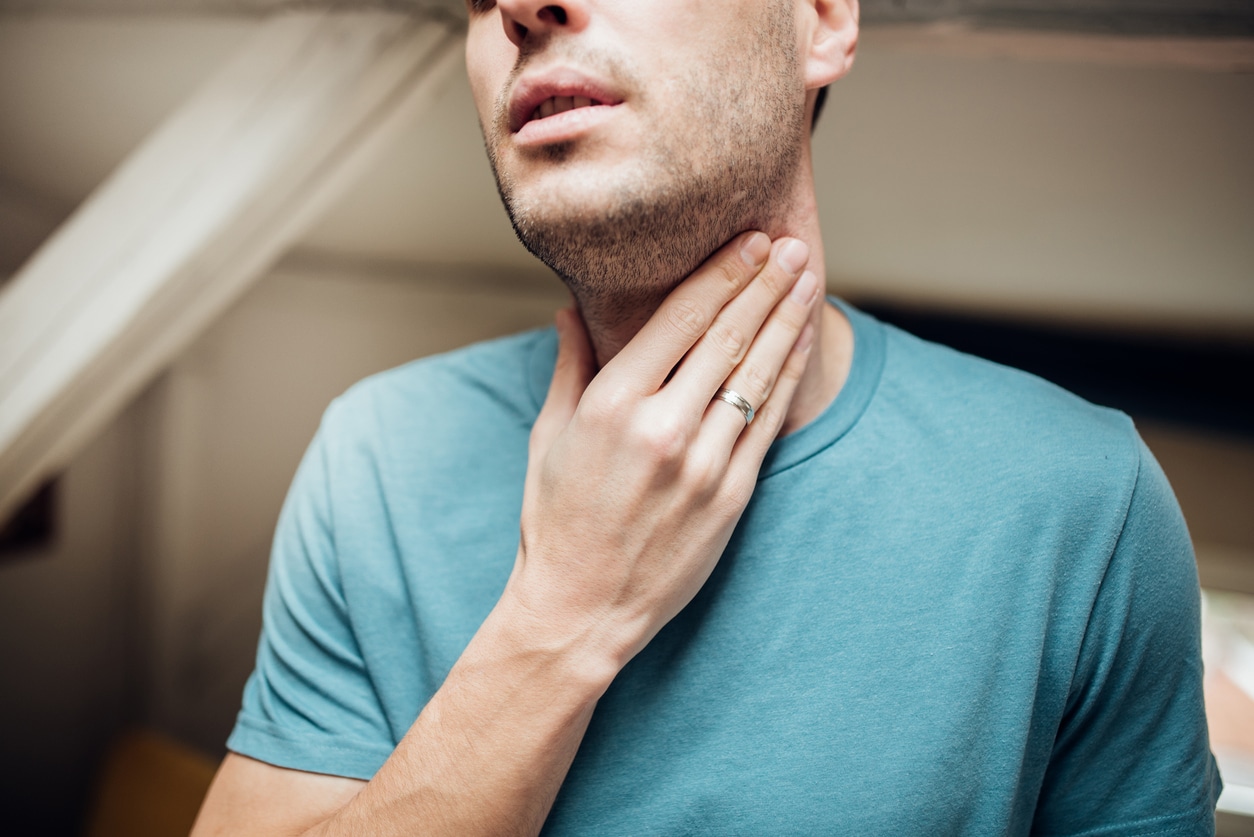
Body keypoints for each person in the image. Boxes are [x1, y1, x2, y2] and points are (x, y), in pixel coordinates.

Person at [193, 0, 1222, 834]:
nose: (517, 6)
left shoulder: (1084, 504)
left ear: (821, 19)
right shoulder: (377, 454)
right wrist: (563, 614)